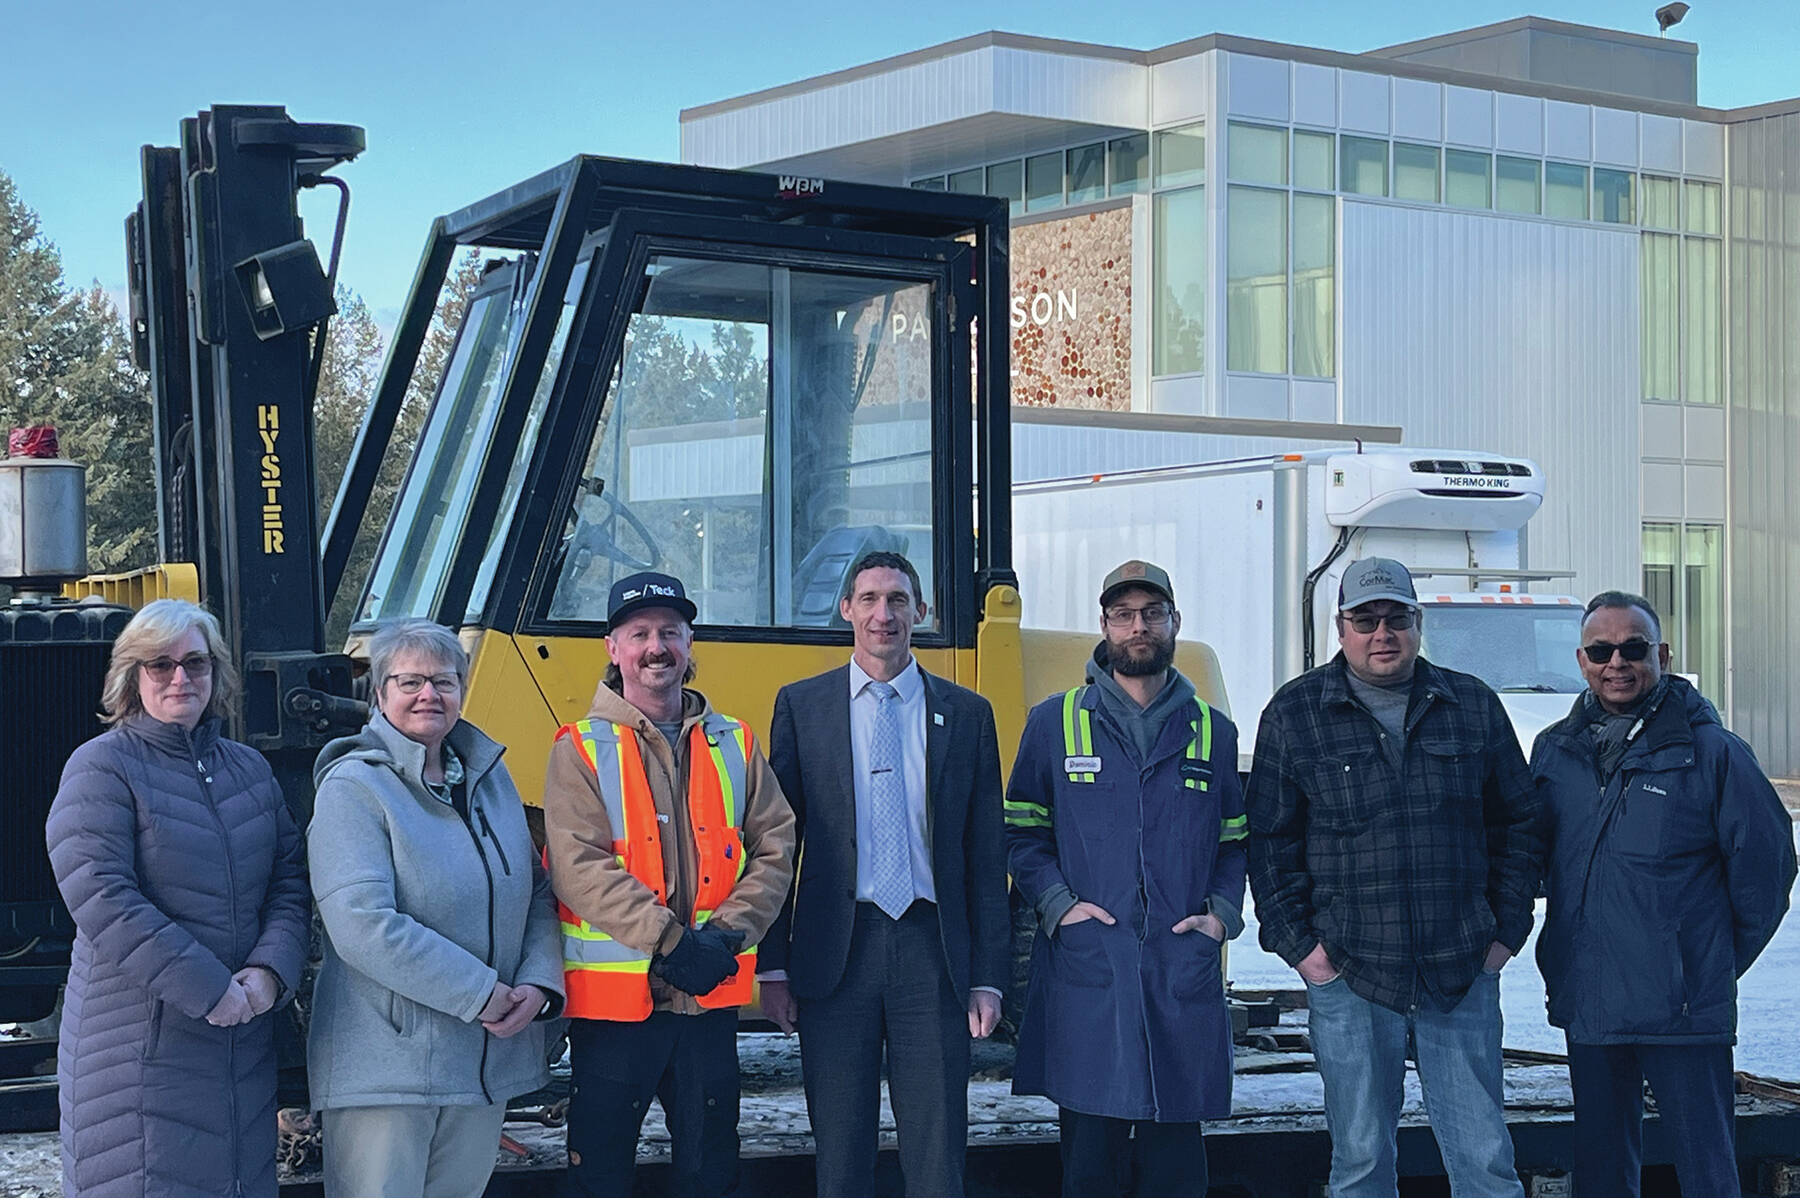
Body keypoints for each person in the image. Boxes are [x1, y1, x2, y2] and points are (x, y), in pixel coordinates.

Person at [1246, 557, 1543, 1198]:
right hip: (1351, 972)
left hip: (1460, 967)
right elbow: (1269, 843)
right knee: (1359, 1162)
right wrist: (1304, 950)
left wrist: (1505, 933)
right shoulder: (1295, 714)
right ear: (1342, 627)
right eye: (1366, 619)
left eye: (1396, 618)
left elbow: (1520, 824)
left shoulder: (1472, 705)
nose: (1383, 633)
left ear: (1416, 622)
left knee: (1485, 1160)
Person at [758, 550, 1009, 1196]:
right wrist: (773, 964)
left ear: (920, 613)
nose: (882, 614)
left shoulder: (969, 715)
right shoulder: (802, 708)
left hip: (932, 953)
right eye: (868, 599)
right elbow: (776, 848)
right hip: (834, 954)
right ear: (846, 610)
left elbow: (986, 858)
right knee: (841, 1153)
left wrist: (988, 978)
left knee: (937, 1150)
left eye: (897, 600)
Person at [1531, 591, 1795, 1197]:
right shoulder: (1555, 753)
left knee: (1706, 1169)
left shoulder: (1713, 753)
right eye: (1602, 650)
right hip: (1591, 999)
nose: (1616, 663)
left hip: (1682, 1010)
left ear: (1663, 654)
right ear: (1581, 659)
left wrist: (1704, 963)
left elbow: (1766, 872)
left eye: (1633, 648)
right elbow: (1534, 856)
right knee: (1602, 1172)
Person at [46, 598, 309, 1197]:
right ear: (132, 677)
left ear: (216, 673)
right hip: (140, 1048)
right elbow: (102, 896)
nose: (180, 678)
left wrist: (269, 973)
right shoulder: (101, 767)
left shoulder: (248, 769)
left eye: (195, 662)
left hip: (240, 1044)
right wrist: (209, 987)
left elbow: (288, 881)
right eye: (160, 665)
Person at [543, 571, 795, 1196]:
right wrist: (669, 941)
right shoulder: (578, 749)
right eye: (639, 634)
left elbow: (776, 844)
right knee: (600, 1176)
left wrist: (727, 936)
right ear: (613, 648)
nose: (656, 647)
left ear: (689, 643)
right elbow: (579, 866)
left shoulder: (735, 742)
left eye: (669, 633)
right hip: (615, 1014)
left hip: (707, 1002)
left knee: (712, 1171)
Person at [1005, 561, 1248, 1196]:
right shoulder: (1053, 723)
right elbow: (1022, 832)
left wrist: (1222, 914)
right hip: (1092, 968)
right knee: (1089, 1164)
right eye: (1124, 615)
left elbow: (1235, 842)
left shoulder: (1213, 734)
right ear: (1105, 626)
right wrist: (1058, 905)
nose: (1138, 626)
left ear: (1175, 623)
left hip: (1179, 967)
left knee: (1177, 1166)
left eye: (1152, 614)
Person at [307, 618, 565, 1197]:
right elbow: (363, 924)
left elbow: (538, 893)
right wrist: (482, 994)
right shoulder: (354, 788)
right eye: (410, 681)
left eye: (444, 681)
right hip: (389, 1072)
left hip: (482, 1066)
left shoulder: (489, 781)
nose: (429, 694)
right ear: (379, 694)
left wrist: (538, 985)